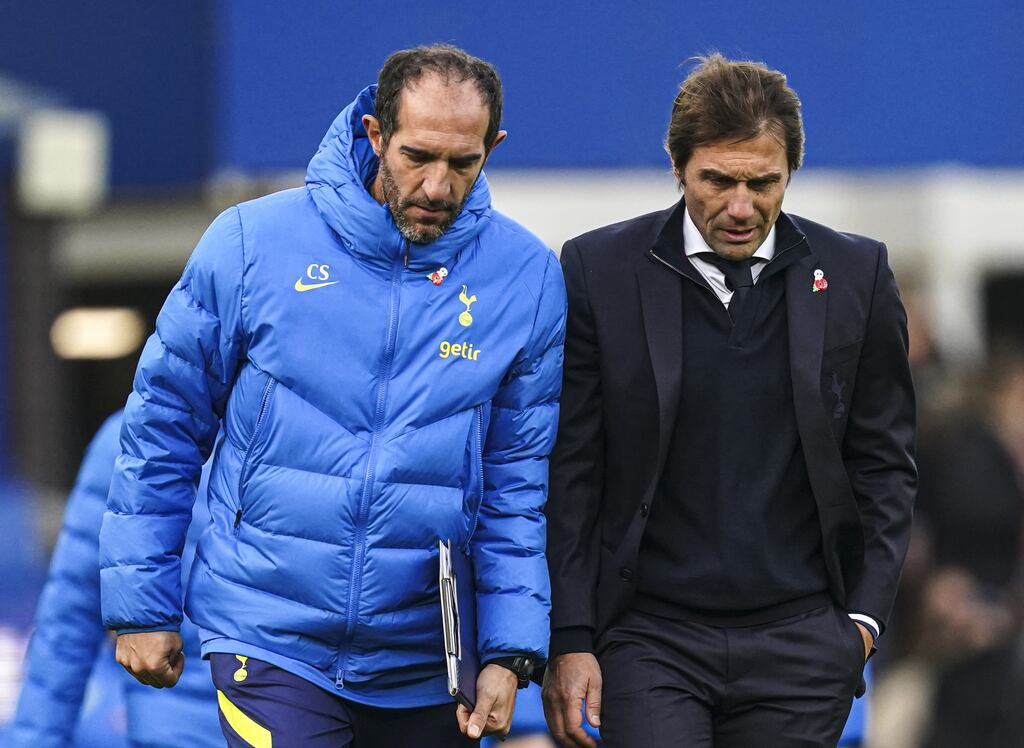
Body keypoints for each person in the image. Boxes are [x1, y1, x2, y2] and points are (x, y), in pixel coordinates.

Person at [99, 44, 565, 746]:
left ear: (492, 148)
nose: (438, 185)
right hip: (269, 637)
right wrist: (141, 608)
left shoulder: (525, 278)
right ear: (375, 134)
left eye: (463, 163)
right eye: (418, 156)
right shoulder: (252, 243)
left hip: (426, 665)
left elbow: (516, 487)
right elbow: (163, 428)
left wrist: (509, 651)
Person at [542, 53, 916, 747]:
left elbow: (885, 462)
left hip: (804, 642)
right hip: (647, 638)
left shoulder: (859, 274)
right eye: (717, 180)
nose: (740, 206)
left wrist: (862, 623)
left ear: (790, 173)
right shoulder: (598, 270)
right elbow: (573, 468)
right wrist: (571, 636)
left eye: (762, 182)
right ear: (678, 167)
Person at [8, 411, 221, 748]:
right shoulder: (127, 439)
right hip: (187, 729)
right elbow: (68, 622)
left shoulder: (128, 436)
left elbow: (65, 625)